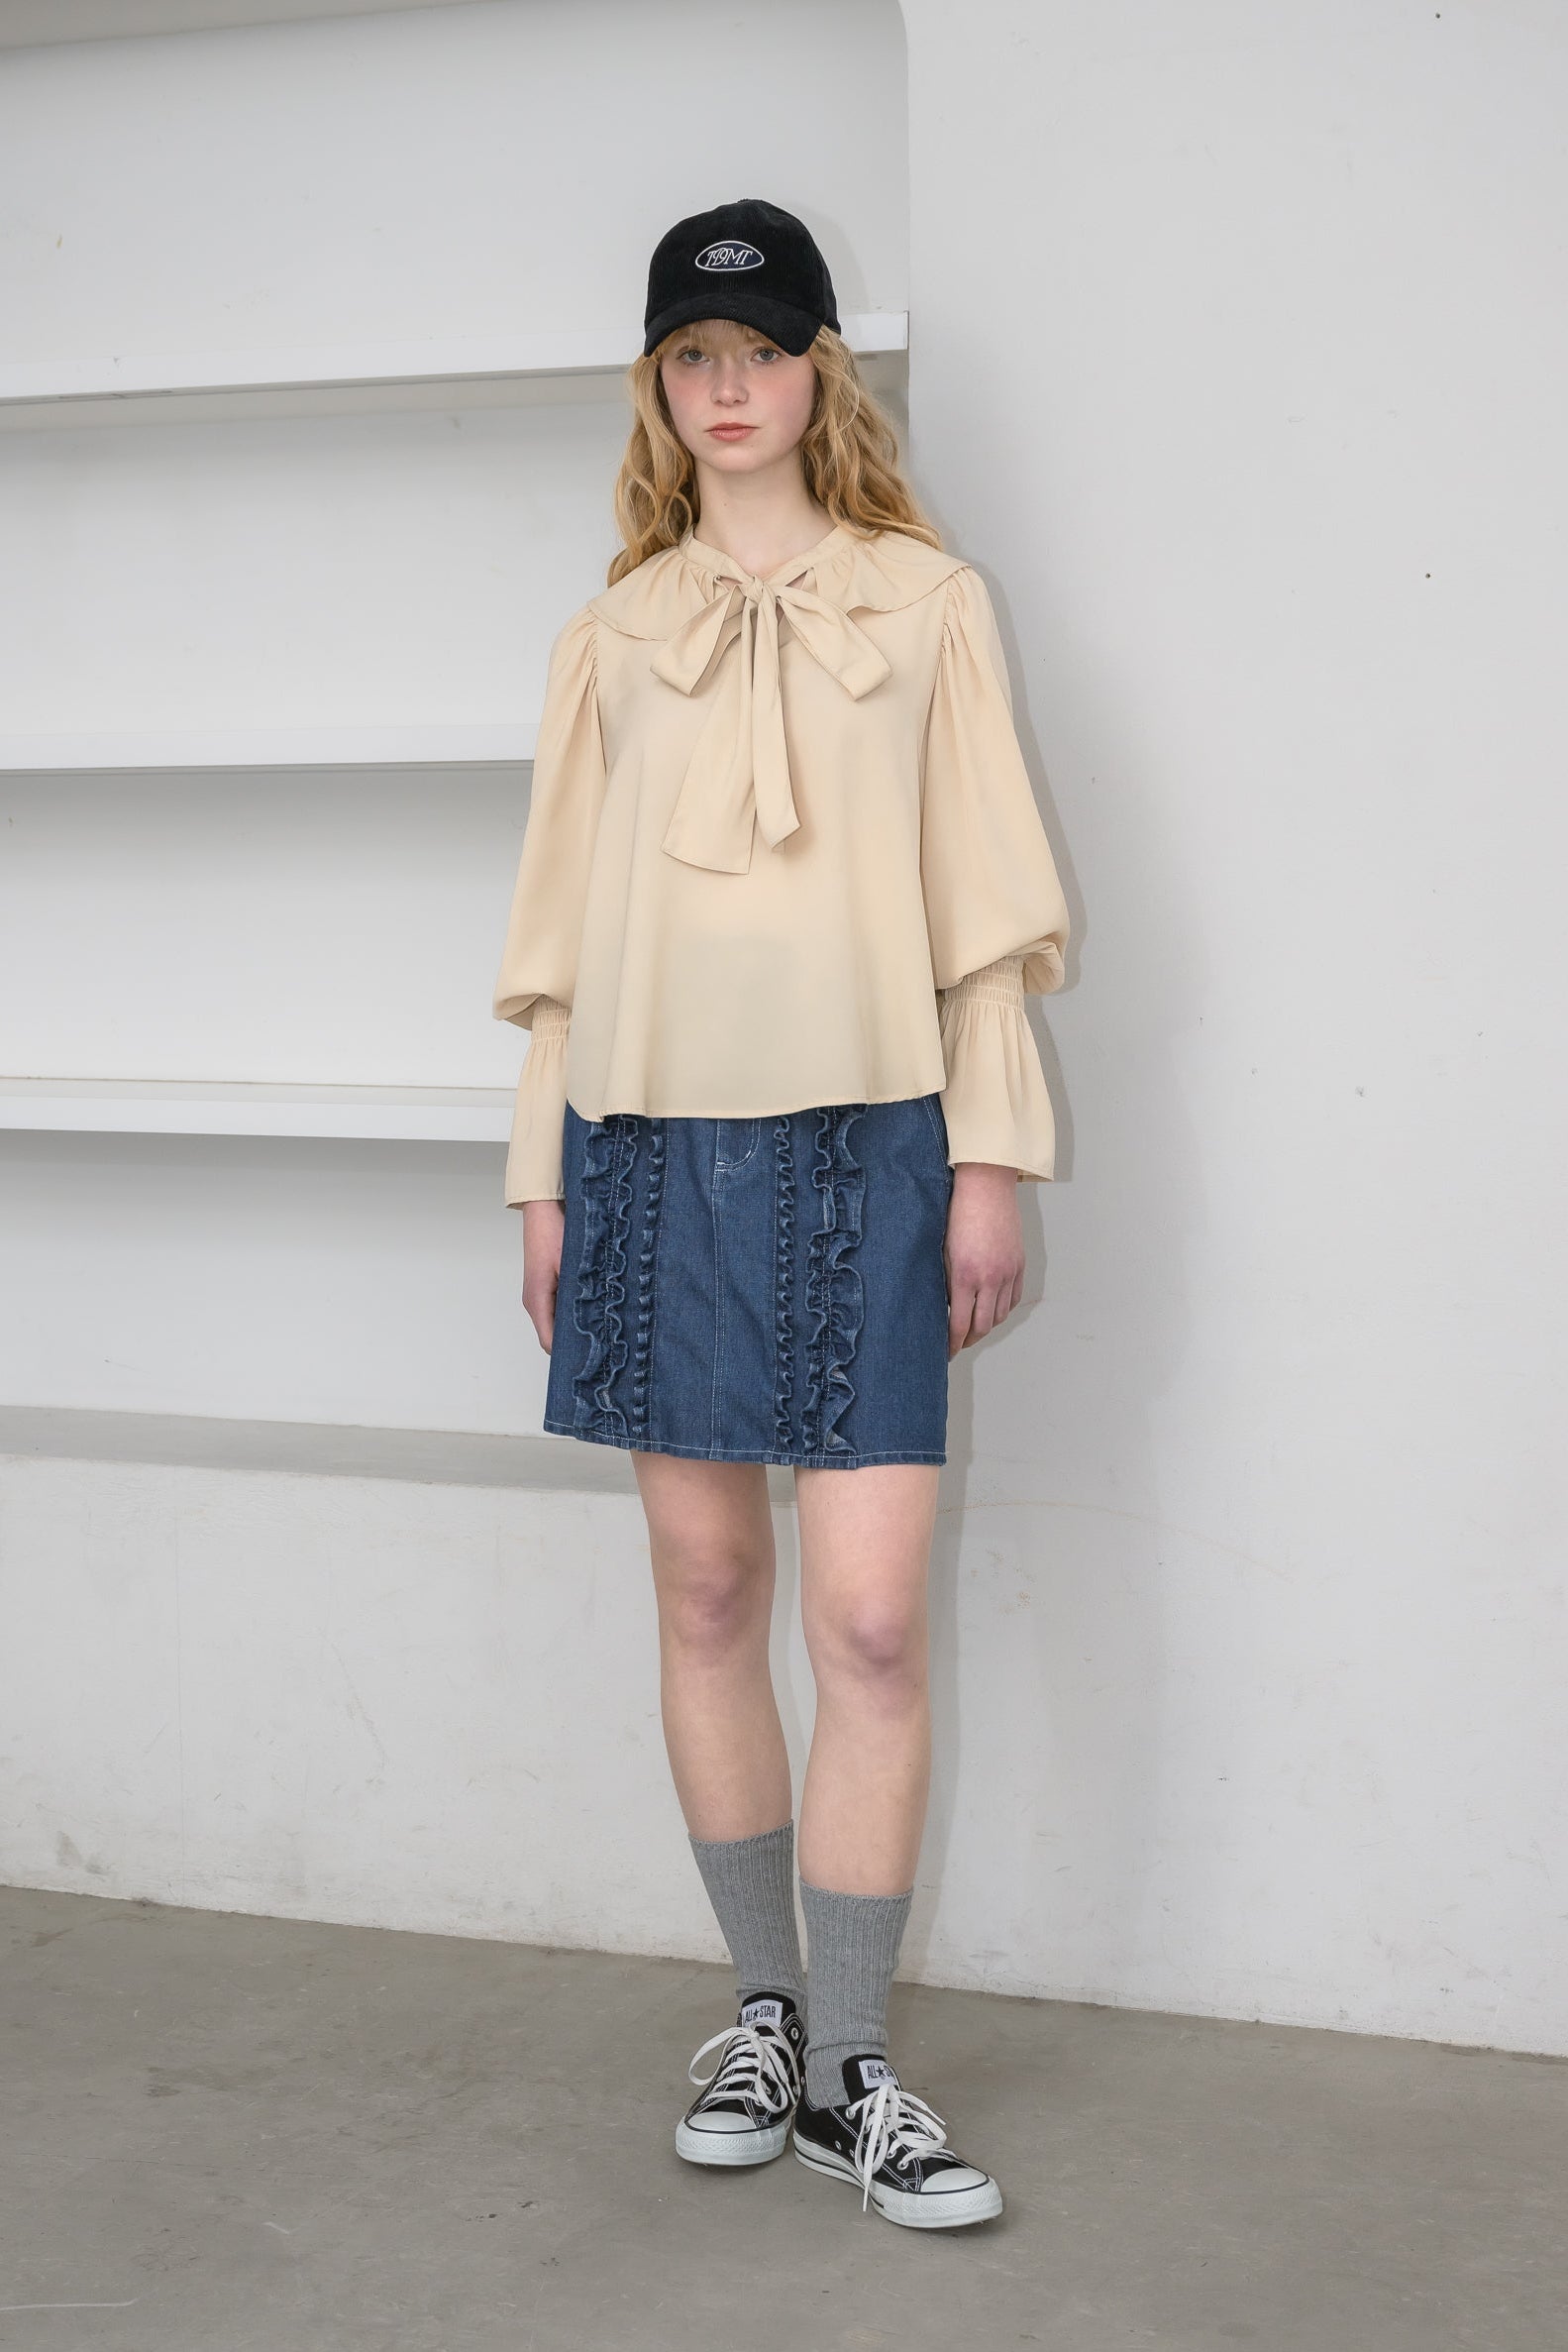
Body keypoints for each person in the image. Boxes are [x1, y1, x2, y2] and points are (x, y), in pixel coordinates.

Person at [491, 198, 1071, 2231]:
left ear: (823, 370)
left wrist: (989, 1159)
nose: (727, 388)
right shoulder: (610, 637)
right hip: (647, 1150)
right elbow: (560, 955)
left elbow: (986, 918)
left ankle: (855, 2068)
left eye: (759, 350)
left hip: (872, 1143)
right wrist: (543, 1177)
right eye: (693, 357)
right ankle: (764, 2011)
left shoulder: (930, 605)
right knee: (710, 1592)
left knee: (873, 1616)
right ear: (660, 386)